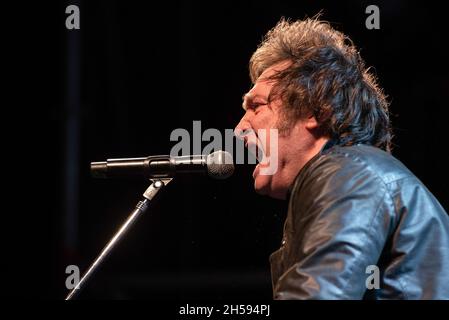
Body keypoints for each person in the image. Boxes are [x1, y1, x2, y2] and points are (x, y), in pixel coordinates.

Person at [234, 18, 449, 299]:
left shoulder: (347, 172)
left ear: (315, 111)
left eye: (256, 106)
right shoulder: (350, 174)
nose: (239, 128)